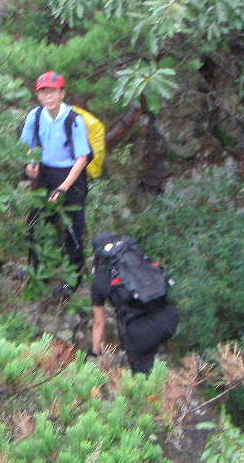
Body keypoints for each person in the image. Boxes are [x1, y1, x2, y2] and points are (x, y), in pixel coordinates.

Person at [20, 71, 92, 290]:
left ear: (62, 93)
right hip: (46, 173)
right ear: (38, 96)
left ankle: (73, 279)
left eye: (53, 92)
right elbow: (29, 145)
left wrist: (62, 188)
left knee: (73, 228)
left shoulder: (74, 120)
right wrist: (31, 163)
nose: (48, 97)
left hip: (71, 176)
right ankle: (38, 272)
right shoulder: (35, 116)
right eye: (44, 93)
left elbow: (82, 158)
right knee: (36, 223)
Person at [89, 233, 179, 374]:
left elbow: (99, 323)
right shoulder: (137, 258)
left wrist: (95, 351)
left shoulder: (99, 281)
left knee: (142, 381)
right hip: (170, 318)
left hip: (140, 334)